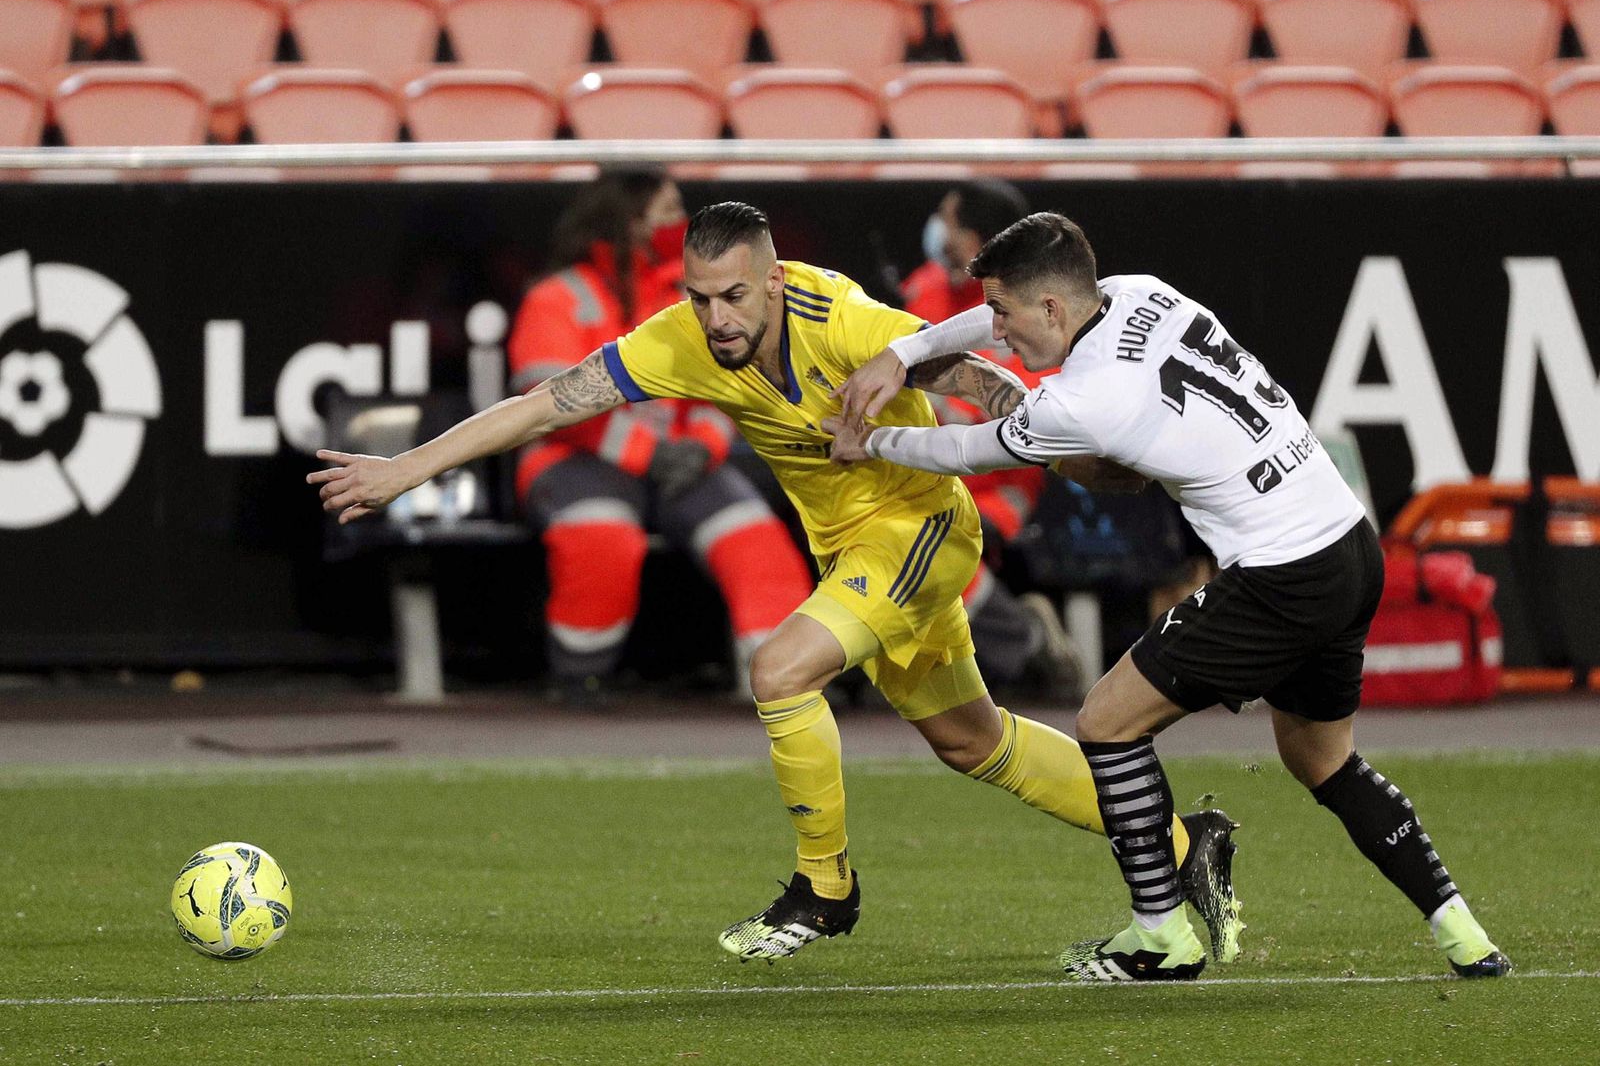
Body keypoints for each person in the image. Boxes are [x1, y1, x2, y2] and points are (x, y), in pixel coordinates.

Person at [308, 202, 1242, 967]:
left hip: (918, 527)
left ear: (775, 280)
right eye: (700, 295)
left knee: (781, 668)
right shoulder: (682, 340)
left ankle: (824, 885)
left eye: (734, 296)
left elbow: (973, 374)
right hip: (854, 554)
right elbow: (544, 404)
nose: (717, 317)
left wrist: (1085, 452)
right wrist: (404, 470)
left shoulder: (842, 321)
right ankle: (1178, 843)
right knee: (973, 741)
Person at [827, 211, 1509, 982]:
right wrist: (905, 349)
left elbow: (961, 450)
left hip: (1281, 573)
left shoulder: (1085, 400)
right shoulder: (1141, 293)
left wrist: (867, 442)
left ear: (1051, 307)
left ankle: (1160, 934)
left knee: (1106, 723)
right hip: (1347, 543)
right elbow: (997, 346)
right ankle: (1465, 933)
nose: (997, 331)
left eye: (1005, 313)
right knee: (1325, 760)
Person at [504, 168, 812, 701]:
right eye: (668, 211)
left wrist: (704, 445)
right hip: (573, 458)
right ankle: (581, 679)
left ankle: (791, 685)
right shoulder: (556, 297)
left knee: (756, 541)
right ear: (629, 221)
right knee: (601, 538)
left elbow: (729, 387)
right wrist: (650, 453)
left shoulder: (690, 291)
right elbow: (550, 404)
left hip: (681, 460)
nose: (682, 223)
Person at [905, 180, 1081, 699]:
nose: (939, 231)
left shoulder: (1039, 308)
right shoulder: (924, 289)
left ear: (975, 239)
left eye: (949, 220)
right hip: (930, 469)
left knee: (924, 544)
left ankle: (1025, 642)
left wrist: (941, 409)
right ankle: (1015, 642)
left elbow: (1035, 416)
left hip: (1005, 485)